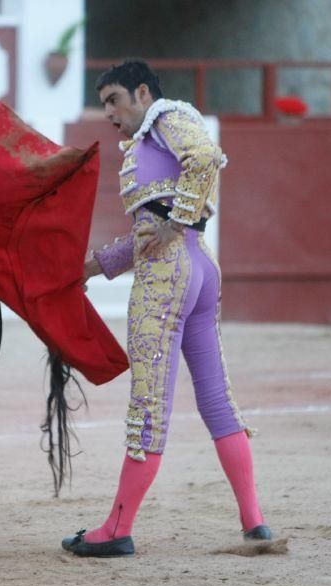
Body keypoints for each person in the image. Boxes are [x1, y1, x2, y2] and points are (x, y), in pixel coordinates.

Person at [61, 59, 271, 558]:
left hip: (171, 274)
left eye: (114, 99)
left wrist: (174, 223)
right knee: (217, 401)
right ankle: (255, 522)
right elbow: (146, 235)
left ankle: (117, 530)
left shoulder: (165, 118)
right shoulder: (151, 138)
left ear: (140, 92)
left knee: (149, 405)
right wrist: (91, 268)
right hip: (198, 267)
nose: (108, 111)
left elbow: (204, 159)